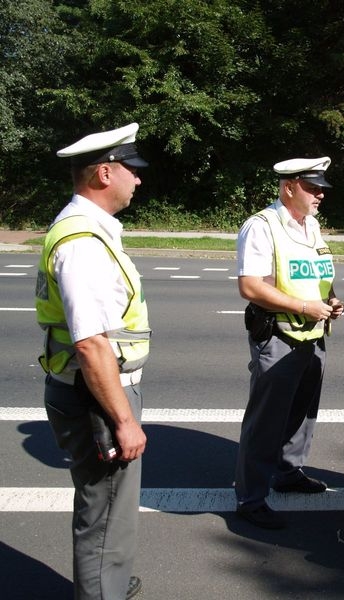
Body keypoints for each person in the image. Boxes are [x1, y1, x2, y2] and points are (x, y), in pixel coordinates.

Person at [35, 123, 151, 599]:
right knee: (105, 514)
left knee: (108, 508)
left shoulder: (88, 230)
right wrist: (124, 420)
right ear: (104, 173)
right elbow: (90, 344)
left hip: (92, 387)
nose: (138, 180)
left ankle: (110, 582)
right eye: (132, 171)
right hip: (96, 393)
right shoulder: (83, 242)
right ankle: (104, 589)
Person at [234, 156, 344, 529]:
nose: (321, 195)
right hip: (279, 334)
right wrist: (304, 306)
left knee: (302, 412)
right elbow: (250, 287)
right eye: (313, 188)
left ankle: (288, 472)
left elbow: (317, 274)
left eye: (322, 189)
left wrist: (330, 299)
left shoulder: (311, 225)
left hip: (313, 333)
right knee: (266, 421)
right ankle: (251, 498)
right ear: (290, 187)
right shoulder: (262, 226)